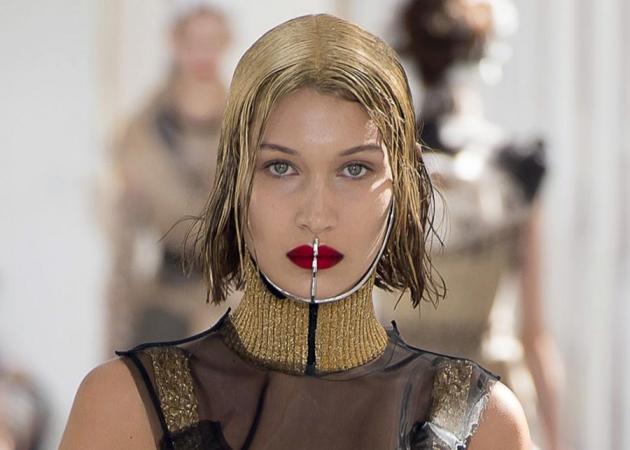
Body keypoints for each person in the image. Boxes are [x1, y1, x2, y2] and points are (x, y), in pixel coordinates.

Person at [61, 14, 530, 449]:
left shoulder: (479, 422)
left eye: (354, 169)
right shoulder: (125, 404)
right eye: (281, 167)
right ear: (235, 184)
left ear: (401, 188)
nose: (316, 214)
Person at [374, 1, 563, 449]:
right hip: (493, 400)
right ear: (485, 55)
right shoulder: (515, 172)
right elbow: (534, 333)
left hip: (401, 397)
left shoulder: (381, 169)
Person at [105, 2, 235, 351]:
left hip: (233, 296)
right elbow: (122, 252)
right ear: (176, 44)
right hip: (167, 301)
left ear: (226, 43)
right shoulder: (142, 137)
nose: (203, 53)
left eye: (212, 41)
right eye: (194, 42)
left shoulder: (249, 128)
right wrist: (113, 350)